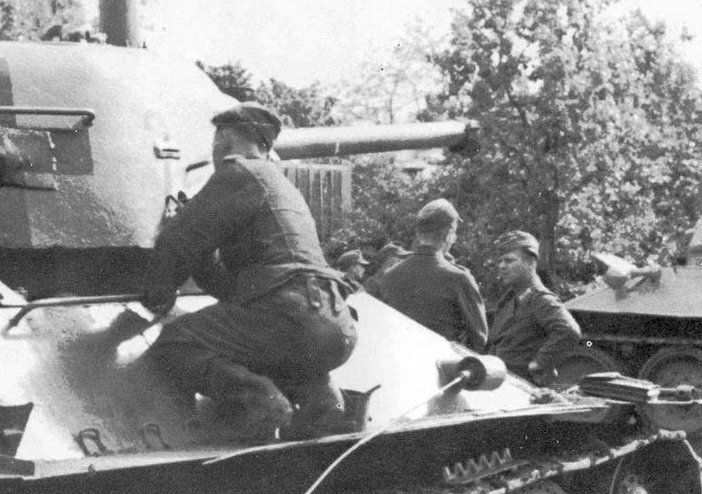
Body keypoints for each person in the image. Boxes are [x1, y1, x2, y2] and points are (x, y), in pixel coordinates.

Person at [142, 102, 358, 440]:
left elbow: (177, 240)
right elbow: (238, 288)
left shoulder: (239, 172)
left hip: (290, 316)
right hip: (333, 325)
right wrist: (201, 257)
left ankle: (263, 402)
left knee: (175, 342)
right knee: (259, 344)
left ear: (224, 139)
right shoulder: (279, 185)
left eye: (216, 141)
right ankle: (321, 400)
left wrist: (157, 296)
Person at [366, 199, 487, 352]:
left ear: (419, 234)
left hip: (397, 362)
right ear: (447, 234)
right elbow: (479, 338)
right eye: (454, 233)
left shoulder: (390, 275)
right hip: (441, 364)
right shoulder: (458, 278)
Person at [487, 230, 582, 384]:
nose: (502, 266)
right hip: (503, 383)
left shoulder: (541, 299)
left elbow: (569, 331)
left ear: (530, 263)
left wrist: (537, 365)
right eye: (501, 261)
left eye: (509, 261)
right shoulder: (508, 300)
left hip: (523, 387)